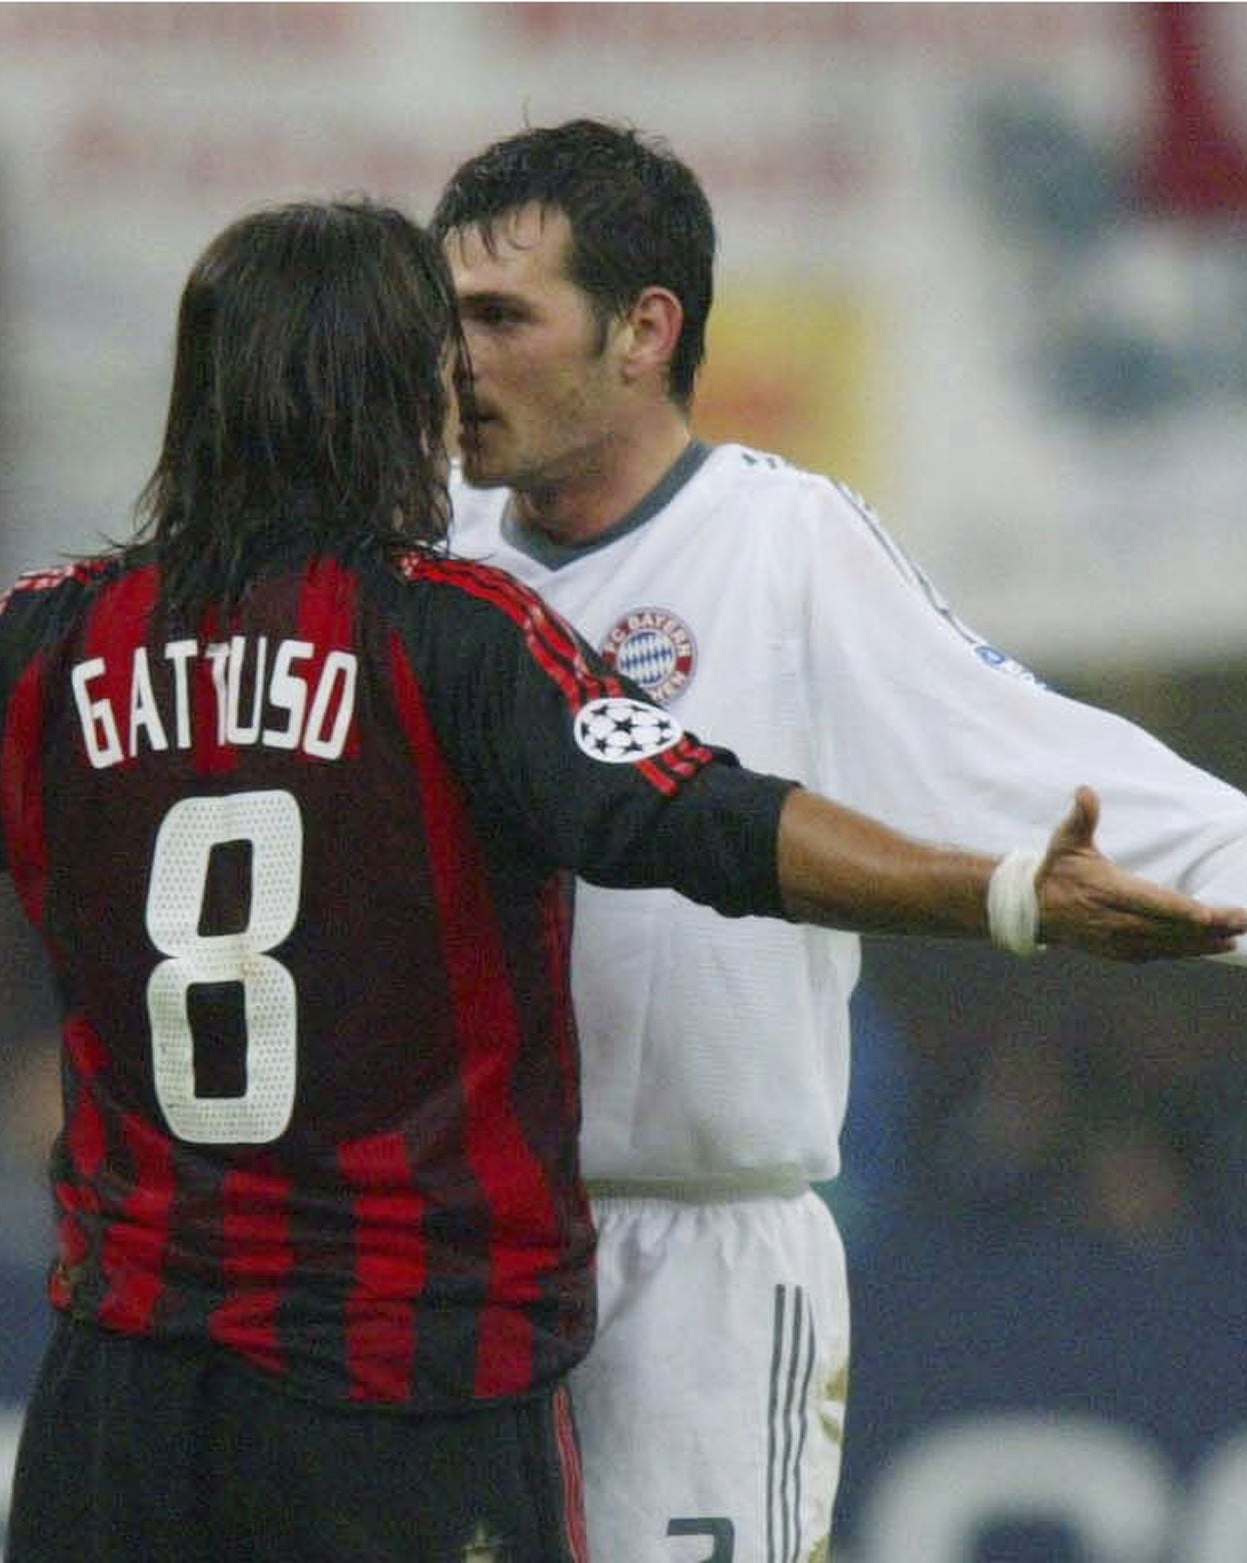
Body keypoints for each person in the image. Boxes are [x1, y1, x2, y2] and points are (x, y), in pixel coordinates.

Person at [0, 200, 1241, 1563]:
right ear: (371, 393)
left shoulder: (51, 643)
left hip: (122, 1388)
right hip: (399, 1380)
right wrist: (997, 895)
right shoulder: (462, 642)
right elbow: (716, 817)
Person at [432, 119, 1247, 1562]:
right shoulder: (420, 553)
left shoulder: (778, 544)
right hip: (434, 1253)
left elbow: (1025, 755)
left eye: (503, 317)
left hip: (697, 1251)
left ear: (643, 330)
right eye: (446, 319)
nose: (460, 358)